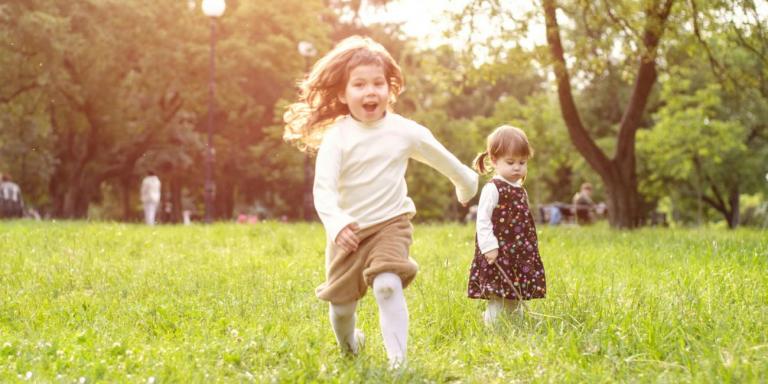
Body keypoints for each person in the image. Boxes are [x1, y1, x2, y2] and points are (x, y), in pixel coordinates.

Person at [283, 36, 478, 369]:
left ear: (391, 90)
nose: (369, 91)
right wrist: (337, 222)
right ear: (343, 94)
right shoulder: (338, 137)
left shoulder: (405, 131)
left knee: (387, 286)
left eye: (378, 83)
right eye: (359, 84)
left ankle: (397, 363)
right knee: (342, 309)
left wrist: (465, 182)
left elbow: (443, 160)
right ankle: (350, 347)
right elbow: (324, 190)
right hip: (348, 232)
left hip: (391, 223)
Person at [468, 125, 546, 325]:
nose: (517, 167)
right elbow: (483, 220)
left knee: (516, 292)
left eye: (522, 162)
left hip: (518, 252)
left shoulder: (520, 190)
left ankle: (516, 325)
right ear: (494, 161)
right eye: (510, 162)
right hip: (498, 251)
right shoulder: (493, 188)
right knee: (498, 293)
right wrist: (489, 246)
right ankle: (491, 325)